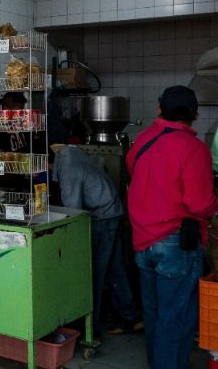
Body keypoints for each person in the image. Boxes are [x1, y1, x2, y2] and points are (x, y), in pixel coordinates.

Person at [126, 86, 218, 369]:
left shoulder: (141, 141)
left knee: (155, 316)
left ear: (159, 110)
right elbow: (198, 204)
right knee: (176, 319)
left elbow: (140, 178)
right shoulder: (194, 149)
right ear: (195, 115)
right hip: (176, 245)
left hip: (142, 242)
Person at [50, 144, 142, 336]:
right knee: (114, 270)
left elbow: (73, 209)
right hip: (113, 212)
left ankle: (92, 326)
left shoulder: (68, 166)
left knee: (94, 272)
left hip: (103, 218)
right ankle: (131, 316)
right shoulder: (72, 153)